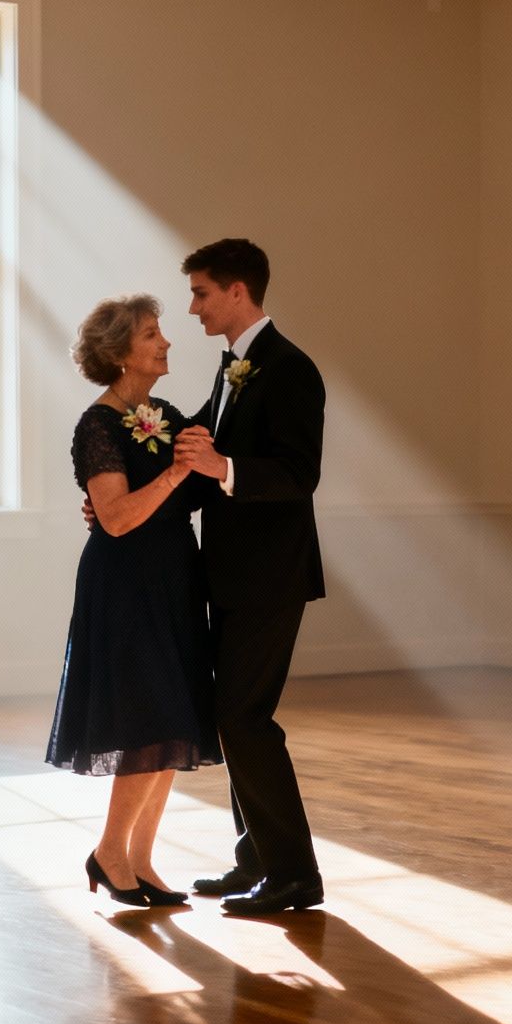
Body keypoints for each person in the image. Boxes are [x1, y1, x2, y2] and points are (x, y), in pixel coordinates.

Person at [172, 238, 328, 916]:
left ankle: (295, 875)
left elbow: (298, 475)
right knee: (231, 716)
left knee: (245, 716)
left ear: (239, 292)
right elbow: (198, 449)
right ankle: (254, 857)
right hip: (230, 573)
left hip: (271, 577)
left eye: (202, 292)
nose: (193, 307)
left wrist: (223, 469)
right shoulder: (233, 367)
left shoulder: (291, 369)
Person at [47, 294, 219, 908]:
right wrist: (173, 475)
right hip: (126, 586)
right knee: (148, 719)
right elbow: (116, 520)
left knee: (173, 722)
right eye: (152, 335)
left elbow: (192, 498)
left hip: (174, 580)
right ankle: (110, 852)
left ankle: (141, 860)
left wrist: (188, 475)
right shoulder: (97, 426)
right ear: (121, 353)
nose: (166, 342)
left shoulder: (164, 413)